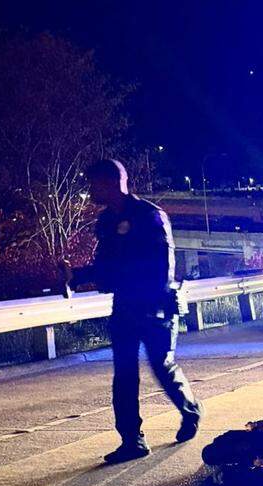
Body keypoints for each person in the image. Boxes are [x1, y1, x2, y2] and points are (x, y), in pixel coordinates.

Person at [66, 159, 203, 464]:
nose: (90, 192)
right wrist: (78, 276)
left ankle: (190, 410)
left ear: (111, 183)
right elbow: (107, 264)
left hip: (155, 306)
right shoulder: (105, 222)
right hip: (125, 307)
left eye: (94, 185)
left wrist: (146, 298)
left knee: (162, 365)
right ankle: (132, 440)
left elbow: (162, 268)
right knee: (124, 375)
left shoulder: (150, 216)